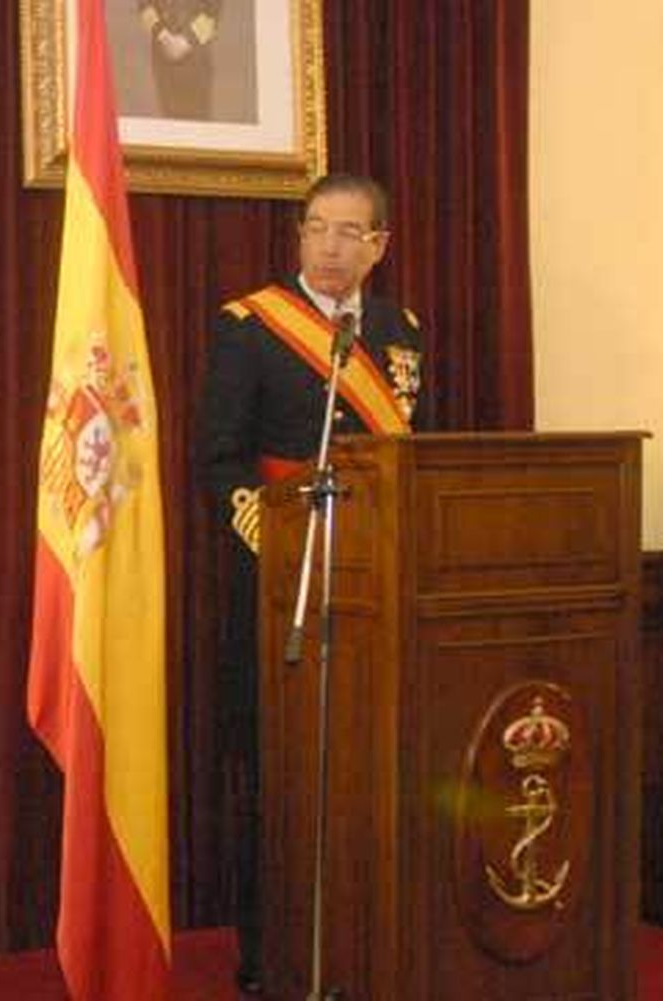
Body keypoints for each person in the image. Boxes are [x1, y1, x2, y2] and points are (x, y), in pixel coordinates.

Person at [194, 172, 425, 993]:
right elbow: (217, 457)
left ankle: (366, 945)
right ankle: (271, 959)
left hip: (374, 587)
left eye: (349, 232)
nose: (330, 246)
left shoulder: (400, 330)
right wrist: (274, 531)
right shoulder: (250, 327)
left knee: (367, 776)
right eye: (317, 229)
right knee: (278, 780)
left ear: (378, 246)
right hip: (279, 588)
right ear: (299, 235)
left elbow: (407, 459)